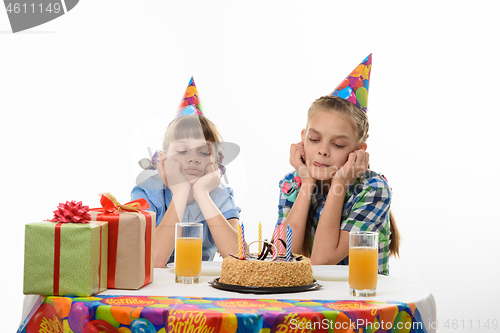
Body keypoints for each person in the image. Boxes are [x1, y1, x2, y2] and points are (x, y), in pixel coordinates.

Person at [277, 55, 400, 275]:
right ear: (303, 138)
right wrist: (307, 183)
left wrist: (339, 182)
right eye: (314, 140)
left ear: (358, 152)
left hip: (360, 302)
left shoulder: (373, 189)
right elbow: (281, 259)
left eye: (338, 144)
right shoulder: (292, 183)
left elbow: (322, 260)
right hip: (311, 303)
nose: (323, 150)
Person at [131, 78, 241, 267]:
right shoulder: (146, 192)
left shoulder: (221, 196)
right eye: (182, 151)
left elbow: (239, 260)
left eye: (204, 152)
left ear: (216, 161)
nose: (194, 158)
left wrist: (202, 193)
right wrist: (180, 192)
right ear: (163, 159)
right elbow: (152, 262)